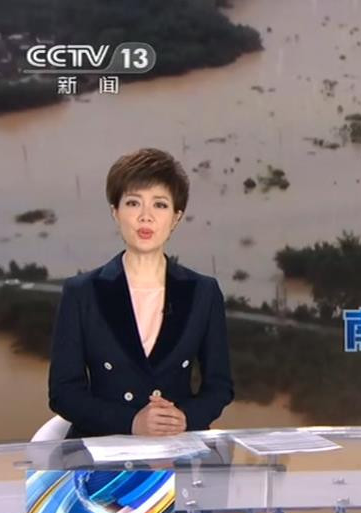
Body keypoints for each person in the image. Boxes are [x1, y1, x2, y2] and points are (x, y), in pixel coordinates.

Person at [48, 148, 233, 438]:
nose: (146, 217)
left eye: (160, 205)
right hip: (104, 449)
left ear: (176, 217)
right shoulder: (82, 293)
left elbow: (220, 387)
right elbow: (63, 392)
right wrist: (131, 423)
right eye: (133, 203)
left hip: (177, 447)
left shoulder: (203, 292)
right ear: (115, 211)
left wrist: (184, 418)